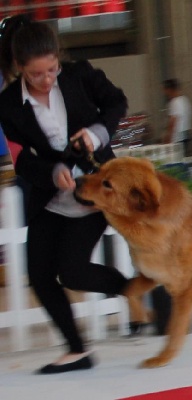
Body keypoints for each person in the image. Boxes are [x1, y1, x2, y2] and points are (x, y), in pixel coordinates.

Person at [0, 18, 134, 374]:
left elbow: (117, 102)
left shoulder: (80, 75)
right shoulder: (8, 104)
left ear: (59, 58)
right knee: (40, 275)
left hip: (97, 190)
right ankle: (77, 350)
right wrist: (50, 172)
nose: (47, 79)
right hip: (50, 198)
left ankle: (135, 290)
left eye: (52, 69)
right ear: (19, 68)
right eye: (36, 75)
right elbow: (21, 159)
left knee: (73, 272)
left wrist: (96, 132)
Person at [162, 78, 192, 155]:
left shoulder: (174, 102)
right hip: (185, 134)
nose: (164, 93)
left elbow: (173, 121)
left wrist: (168, 138)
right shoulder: (185, 99)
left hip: (177, 137)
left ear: (169, 89)